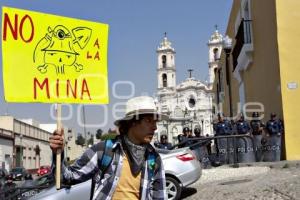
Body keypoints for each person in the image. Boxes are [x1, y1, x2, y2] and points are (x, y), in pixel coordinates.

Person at [50, 96, 167, 200]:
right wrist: (57, 154)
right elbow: (67, 178)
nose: (155, 127)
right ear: (133, 122)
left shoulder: (154, 159)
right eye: (148, 121)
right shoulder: (104, 150)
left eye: (155, 122)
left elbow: (159, 196)